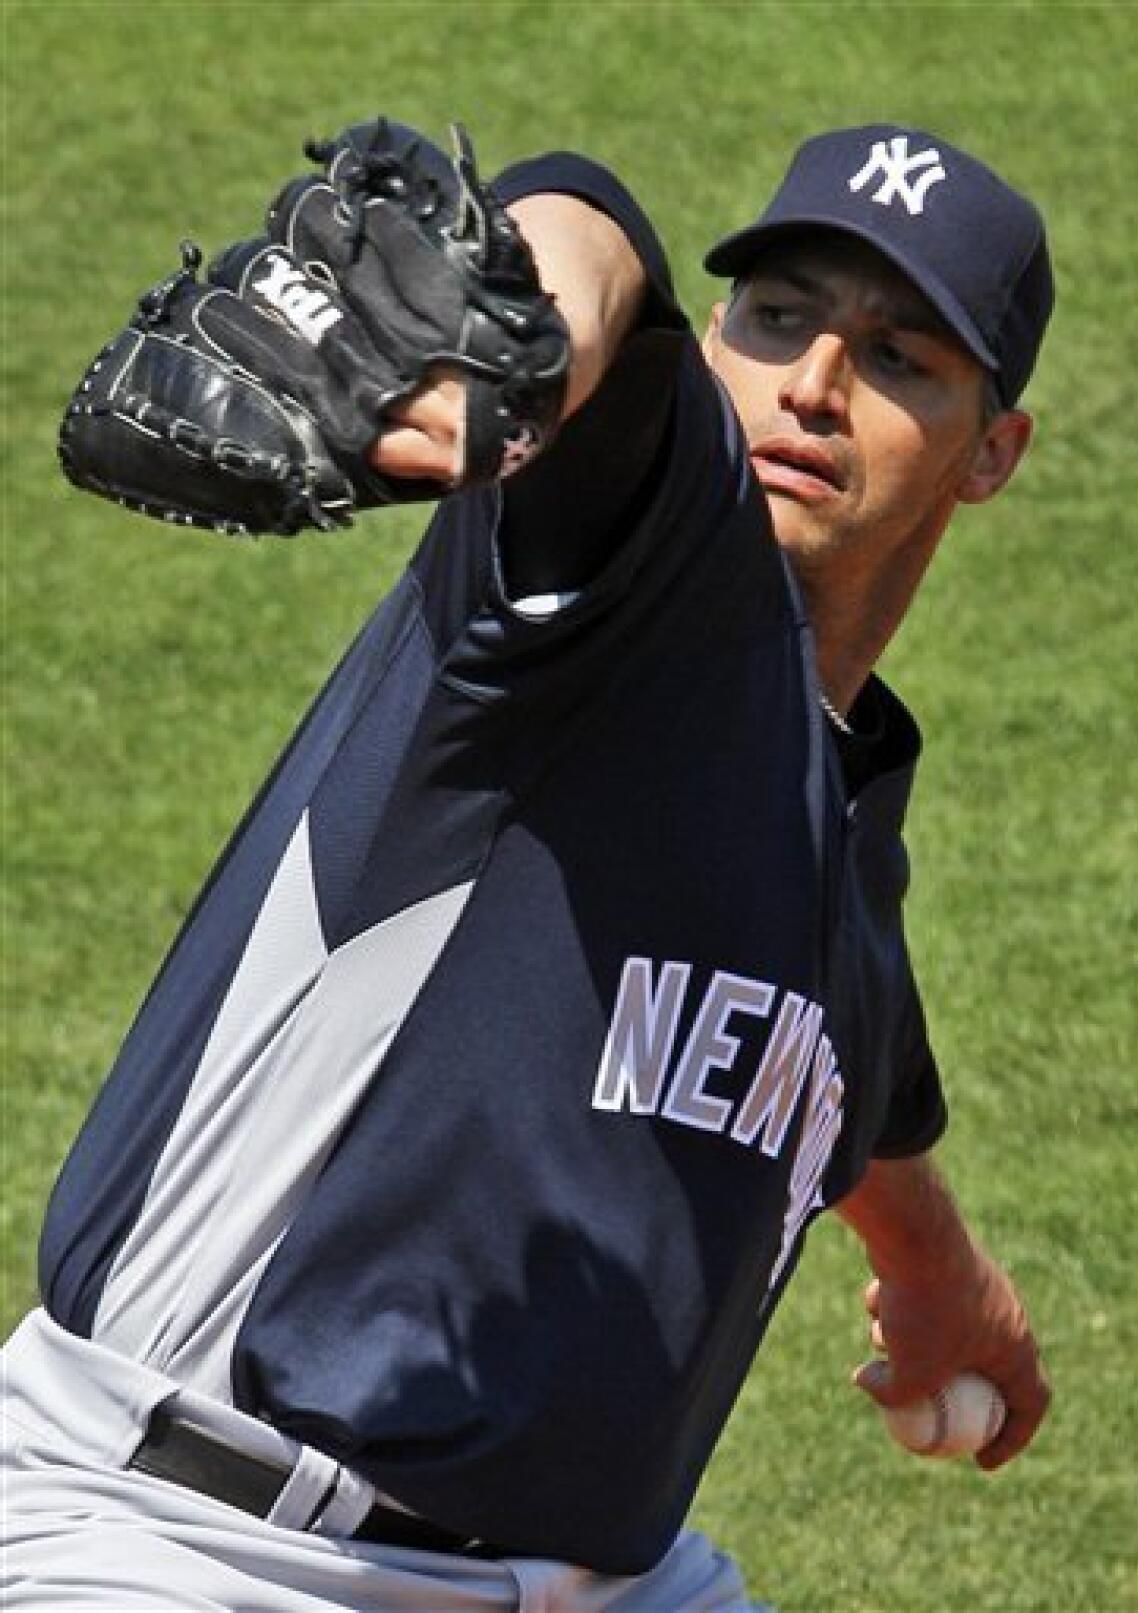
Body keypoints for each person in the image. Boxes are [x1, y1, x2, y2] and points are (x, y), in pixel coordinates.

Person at [3, 122, 1053, 1610]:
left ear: (991, 452)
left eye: (899, 360)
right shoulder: (615, 570)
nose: (812, 385)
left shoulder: (835, 790)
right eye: (778, 317)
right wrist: (541, 336)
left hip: (594, 1583)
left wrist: (943, 1278)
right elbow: (591, 224)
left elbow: (850, 1060)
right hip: (190, 1538)